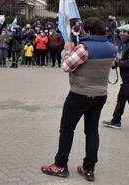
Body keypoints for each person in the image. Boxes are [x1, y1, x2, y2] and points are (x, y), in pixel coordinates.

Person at [41, 17, 117, 182]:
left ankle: (60, 165)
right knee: (92, 131)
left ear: (88, 31)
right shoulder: (112, 48)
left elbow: (66, 66)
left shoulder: (84, 48)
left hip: (79, 94)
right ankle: (89, 168)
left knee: (67, 129)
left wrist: (68, 51)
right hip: (100, 95)